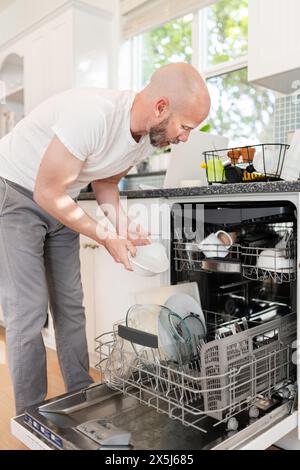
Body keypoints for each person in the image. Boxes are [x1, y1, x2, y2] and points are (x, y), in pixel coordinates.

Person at [0, 62, 211, 414]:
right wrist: (105, 236)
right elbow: (45, 192)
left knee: (70, 305)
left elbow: (106, 183)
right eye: (185, 127)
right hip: (16, 192)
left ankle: (80, 398)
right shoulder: (93, 115)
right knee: (29, 311)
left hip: (59, 196)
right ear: (161, 108)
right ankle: (31, 416)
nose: (185, 137)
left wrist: (122, 225)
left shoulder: (145, 139)